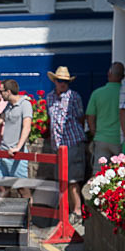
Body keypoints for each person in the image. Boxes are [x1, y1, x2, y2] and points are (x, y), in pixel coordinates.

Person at [46, 66, 85, 223]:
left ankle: (77, 210)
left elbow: (80, 117)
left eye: (65, 82)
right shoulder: (49, 98)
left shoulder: (74, 97)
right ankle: (66, 211)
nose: (63, 84)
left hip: (72, 141)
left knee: (73, 179)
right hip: (58, 146)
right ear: (55, 81)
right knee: (61, 179)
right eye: (60, 81)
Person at [87, 62, 124, 174]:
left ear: (109, 74)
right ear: (123, 77)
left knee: (99, 174)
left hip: (101, 138)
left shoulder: (97, 93)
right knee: (121, 174)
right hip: (119, 140)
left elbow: (90, 116)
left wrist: (95, 132)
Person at [0, 78, 32, 199]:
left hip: (17, 154)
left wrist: (18, 147)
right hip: (4, 151)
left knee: (22, 188)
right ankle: (6, 215)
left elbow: (26, 127)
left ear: (8, 91)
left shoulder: (25, 104)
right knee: (3, 187)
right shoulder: (8, 106)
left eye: (1, 91)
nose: (0, 94)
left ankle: (28, 217)